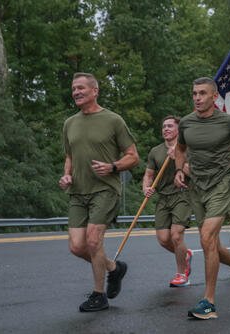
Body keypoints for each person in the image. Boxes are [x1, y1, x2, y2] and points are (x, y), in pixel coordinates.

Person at [175, 77, 230, 319]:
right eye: (194, 93)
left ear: (214, 97)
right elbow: (180, 149)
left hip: (221, 184)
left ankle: (209, 302)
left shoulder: (228, 122)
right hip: (196, 187)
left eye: (202, 93)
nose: (197, 98)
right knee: (209, 243)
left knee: (206, 237)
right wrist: (180, 169)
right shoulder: (187, 123)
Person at [59, 72, 139, 312]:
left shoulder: (113, 120)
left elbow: (133, 157)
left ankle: (98, 294)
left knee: (93, 241)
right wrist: (66, 175)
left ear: (95, 91)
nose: (76, 92)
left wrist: (113, 167)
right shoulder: (69, 123)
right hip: (78, 191)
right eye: (74, 89)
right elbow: (69, 156)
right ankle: (115, 269)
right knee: (76, 246)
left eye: (81, 88)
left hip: (105, 189)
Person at [143, 116, 193, 287]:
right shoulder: (155, 151)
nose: (166, 129)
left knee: (176, 234)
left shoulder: (187, 148)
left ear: (178, 129)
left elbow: (193, 172)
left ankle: (181, 273)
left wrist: (178, 158)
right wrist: (146, 188)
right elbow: (149, 174)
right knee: (164, 239)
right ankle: (185, 255)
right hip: (163, 197)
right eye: (164, 126)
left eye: (170, 126)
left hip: (182, 194)